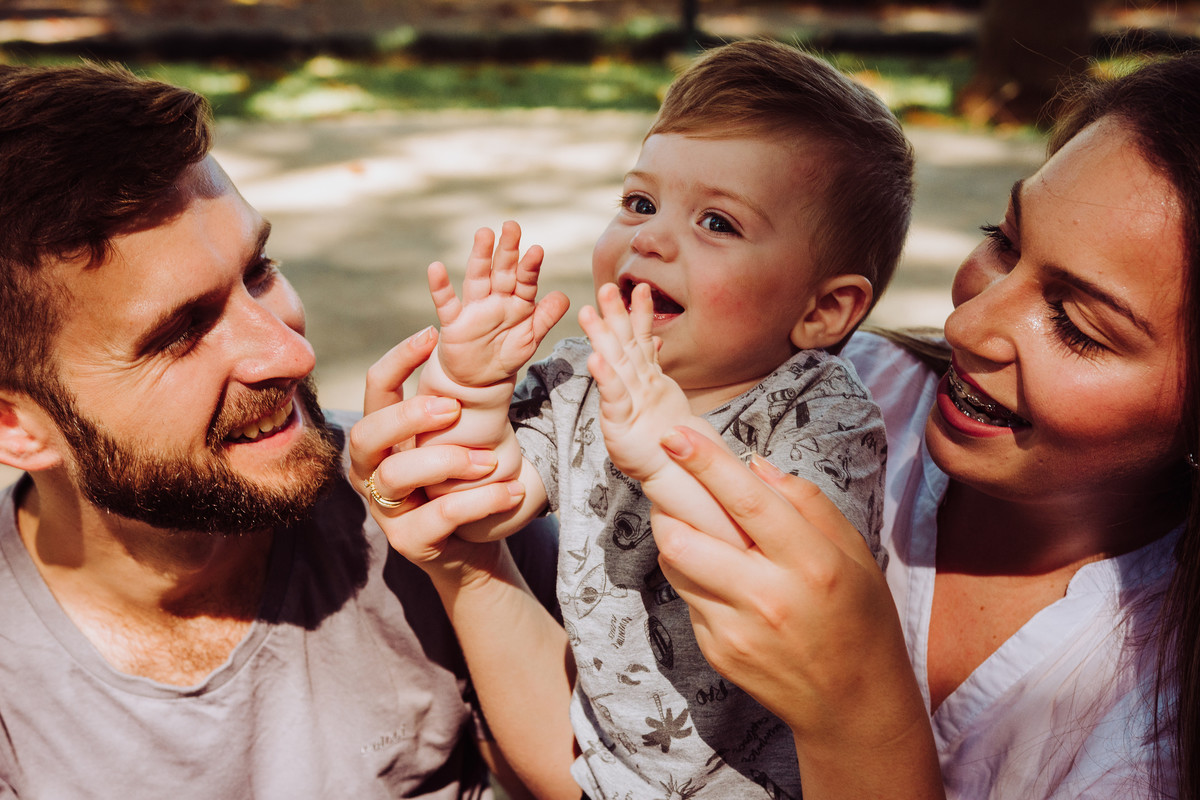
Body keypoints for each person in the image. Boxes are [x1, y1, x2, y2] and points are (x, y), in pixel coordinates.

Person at [634, 50, 1200, 799]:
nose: (966, 324)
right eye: (1003, 240)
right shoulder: (826, 389)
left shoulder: (1154, 722)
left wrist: (857, 713)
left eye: (1076, 325)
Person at [358, 39, 913, 799]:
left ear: (823, 310)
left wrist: (661, 452)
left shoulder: (821, 413)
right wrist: (474, 384)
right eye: (640, 203)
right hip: (599, 764)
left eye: (717, 222)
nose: (648, 237)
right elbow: (493, 505)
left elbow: (784, 588)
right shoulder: (586, 372)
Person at [0, 62, 556, 799]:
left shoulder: (432, 504)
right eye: (180, 331)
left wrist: (472, 574)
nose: (291, 353)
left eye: (258, 269)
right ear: (15, 424)